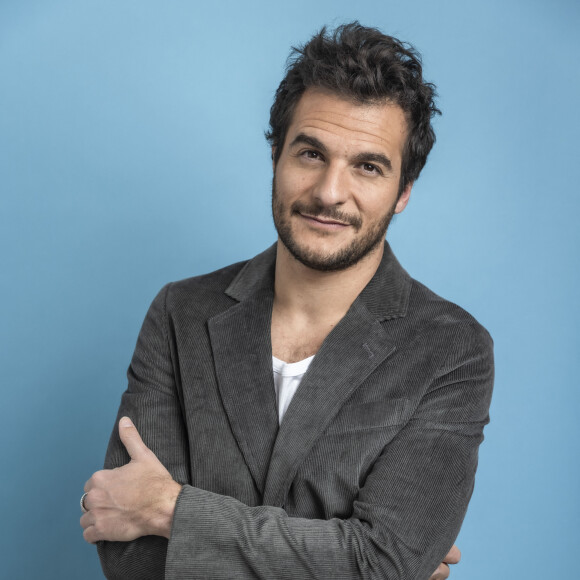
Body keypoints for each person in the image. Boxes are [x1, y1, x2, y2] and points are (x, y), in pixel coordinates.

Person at [80, 22, 494, 580]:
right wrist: (347, 553)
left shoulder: (450, 349)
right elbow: (133, 559)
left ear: (403, 192)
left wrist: (170, 510)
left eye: (368, 166)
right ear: (276, 155)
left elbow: (383, 562)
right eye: (310, 153)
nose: (328, 192)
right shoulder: (181, 313)